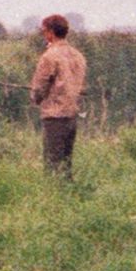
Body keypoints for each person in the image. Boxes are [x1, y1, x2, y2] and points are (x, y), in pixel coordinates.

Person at [29, 14, 87, 177]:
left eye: (44, 31)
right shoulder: (78, 56)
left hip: (55, 117)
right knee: (66, 165)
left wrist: (35, 98)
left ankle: (53, 198)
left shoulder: (49, 56)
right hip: (72, 116)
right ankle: (68, 198)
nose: (43, 34)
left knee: (52, 165)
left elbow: (39, 89)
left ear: (51, 32)